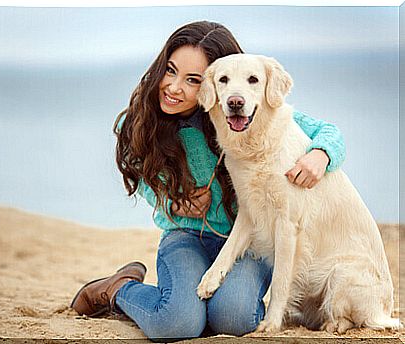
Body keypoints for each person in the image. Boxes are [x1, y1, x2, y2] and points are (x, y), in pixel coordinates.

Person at [71, 21, 345, 341]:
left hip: (247, 240)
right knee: (176, 324)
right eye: (170, 71)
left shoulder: (244, 112)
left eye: (192, 80)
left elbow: (328, 132)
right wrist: (173, 202)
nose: (174, 87)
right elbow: (143, 177)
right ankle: (118, 289)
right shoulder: (143, 121)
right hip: (186, 235)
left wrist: (321, 155)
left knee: (233, 318)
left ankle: (206, 303)